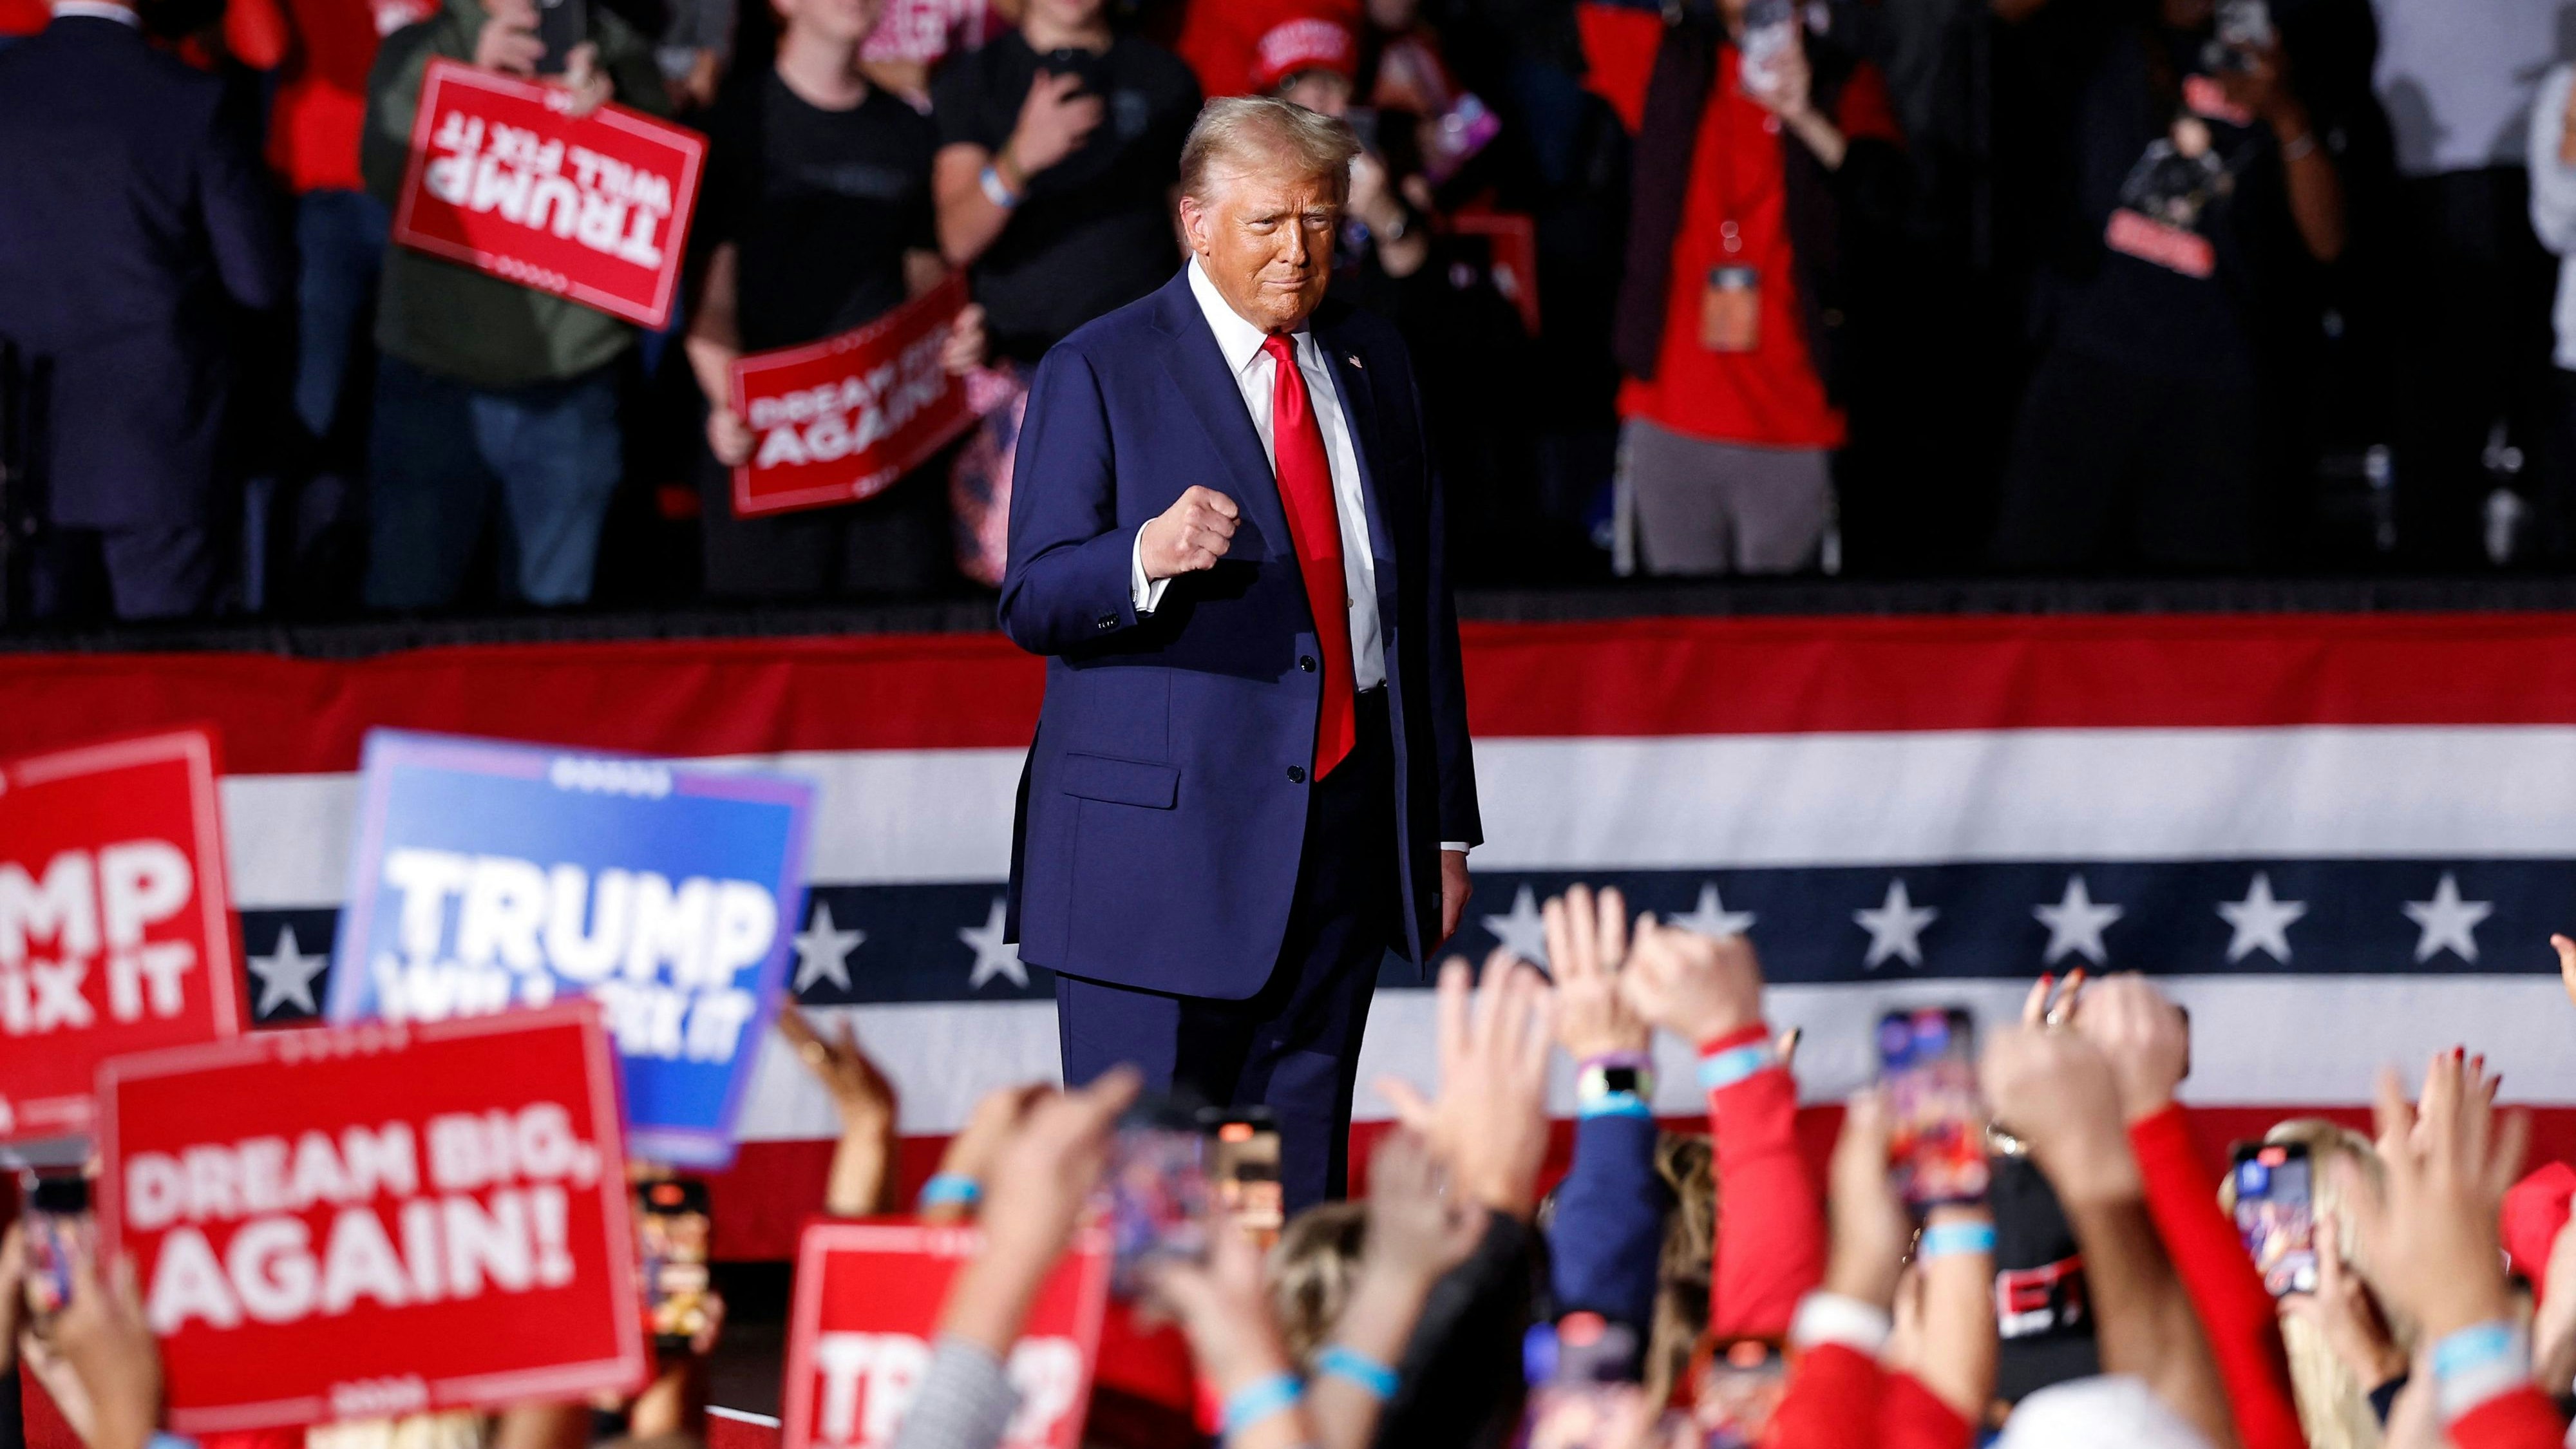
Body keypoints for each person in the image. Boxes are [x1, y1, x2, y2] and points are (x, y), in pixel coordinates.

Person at [999, 95, 1481, 1215]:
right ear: (1195, 224)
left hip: (1342, 837)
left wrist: (1441, 821)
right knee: (1152, 1206)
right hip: (1157, 865)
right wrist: (1145, 556)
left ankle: (1276, 1386)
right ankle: (1157, 1394)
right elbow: (1031, 597)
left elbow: (1420, 609)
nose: (1297, 251)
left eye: (1319, 221)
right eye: (1268, 223)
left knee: (1292, 1183)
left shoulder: (1374, 358)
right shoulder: (1100, 368)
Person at [1985, 0, 2349, 571]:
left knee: (2199, 608)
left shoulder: (2278, 52)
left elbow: (2328, 240)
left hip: (2214, 372)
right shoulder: (2096, 32)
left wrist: (2286, 116)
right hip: (2088, 353)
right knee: (2038, 581)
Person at [359, 0, 668, 610]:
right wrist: (472, 83)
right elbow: (381, 173)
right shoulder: (423, 48)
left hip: (569, 386)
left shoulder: (614, 47)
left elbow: (668, 197)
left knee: (552, 643)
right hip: (435, 379)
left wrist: (615, 116)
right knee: (408, 615)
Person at [683, 0, 985, 600]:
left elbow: (925, 284)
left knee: (892, 661)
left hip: (885, 443)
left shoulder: (909, 130)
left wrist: (957, 334)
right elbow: (709, 303)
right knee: (770, 660)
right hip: (771, 444)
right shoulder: (735, 126)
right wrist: (730, 403)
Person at [0, 0, 286, 621]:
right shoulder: (191, 100)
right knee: (173, 683)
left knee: (34, 691)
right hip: (158, 442)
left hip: (20, 439)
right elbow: (259, 281)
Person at [1600, 0, 1903, 576]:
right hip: (1672, 412)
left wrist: (1806, 114)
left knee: (1780, 651)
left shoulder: (1839, 76)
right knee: (1679, 644)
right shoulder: (1670, 55)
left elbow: (1892, 202)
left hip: (1792, 419)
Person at [927, 0, 1198, 583]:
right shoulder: (975, 77)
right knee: (1024, 577)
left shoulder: (1164, 76)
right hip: (1022, 378)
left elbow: (1193, 224)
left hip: (1146, 375)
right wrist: (1020, 158)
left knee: (1153, 569)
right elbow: (955, 237)